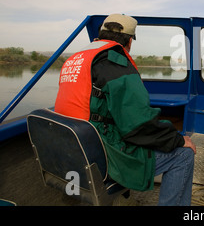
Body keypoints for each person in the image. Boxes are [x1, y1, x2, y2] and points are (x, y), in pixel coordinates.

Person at [54, 13, 196, 206]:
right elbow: (139, 127)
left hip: (68, 149)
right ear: (130, 41)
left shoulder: (75, 59)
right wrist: (178, 139)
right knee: (183, 155)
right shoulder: (115, 63)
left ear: (101, 34)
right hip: (99, 154)